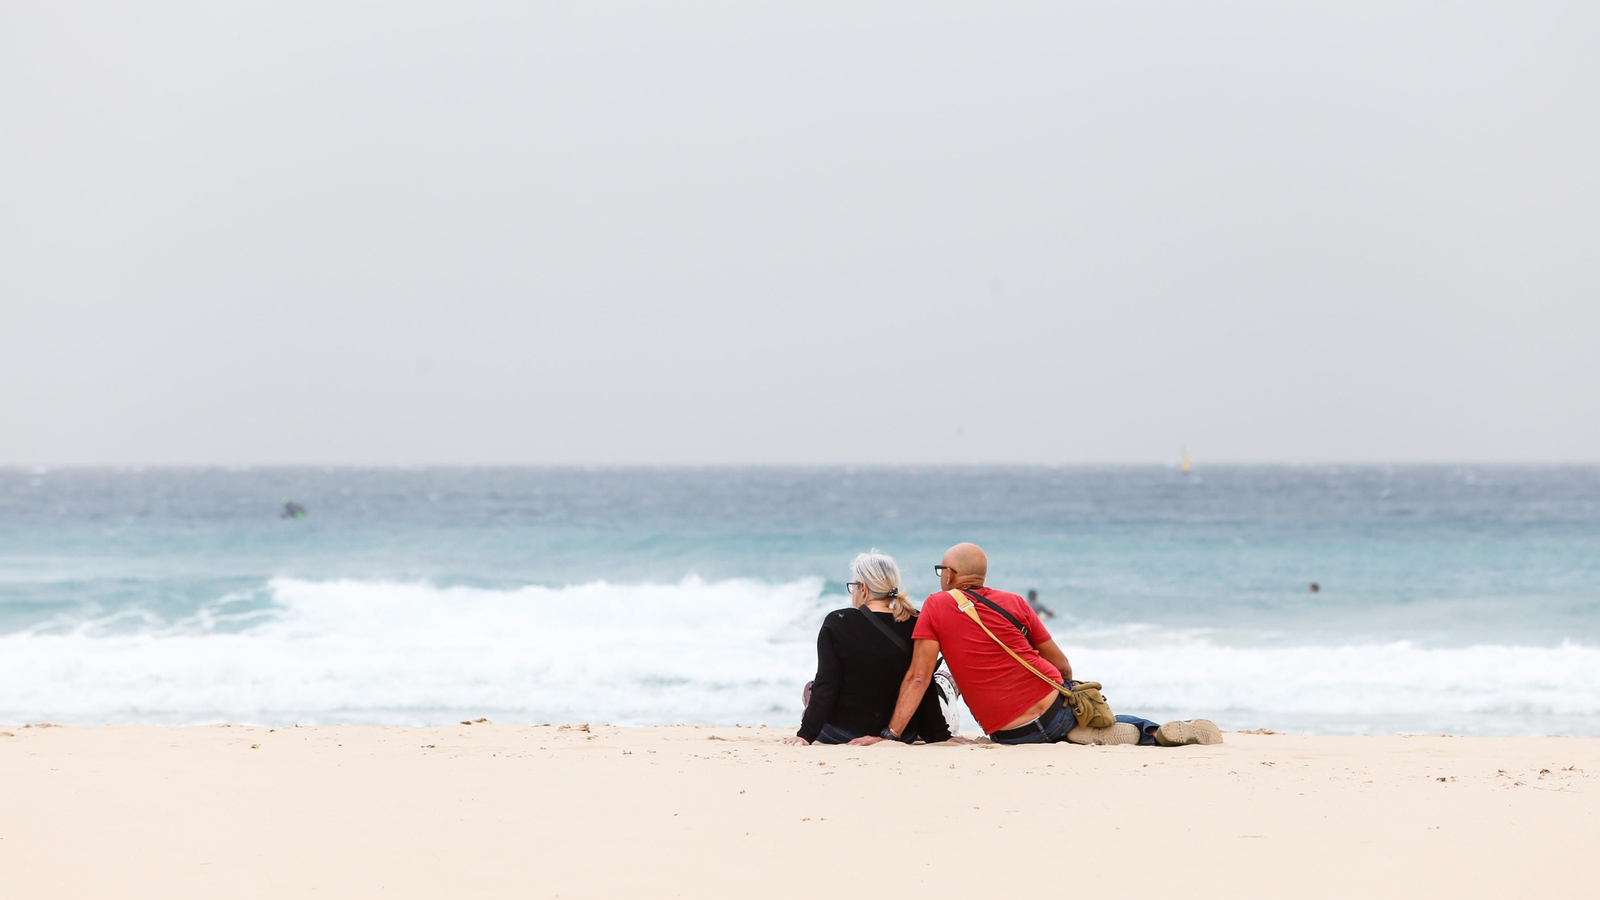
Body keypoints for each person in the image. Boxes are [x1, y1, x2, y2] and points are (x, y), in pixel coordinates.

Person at [853, 543, 1221, 747]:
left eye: (941, 571)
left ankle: (1086, 733)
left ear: (949, 575)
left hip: (1011, 733)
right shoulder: (1014, 601)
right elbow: (1061, 667)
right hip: (1053, 708)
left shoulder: (936, 605)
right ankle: (1151, 731)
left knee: (1056, 728)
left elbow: (919, 677)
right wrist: (1067, 693)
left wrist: (891, 735)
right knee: (1076, 717)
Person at [784, 551, 953, 745]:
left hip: (843, 732)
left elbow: (827, 684)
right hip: (902, 733)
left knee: (811, 689)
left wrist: (805, 735)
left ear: (863, 588)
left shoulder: (838, 622)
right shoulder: (915, 621)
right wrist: (939, 735)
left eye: (853, 586)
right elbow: (923, 682)